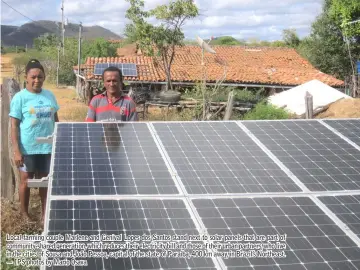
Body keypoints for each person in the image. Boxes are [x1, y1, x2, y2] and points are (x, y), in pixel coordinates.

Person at [9, 59, 59, 224]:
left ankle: (45, 214)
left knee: (46, 181)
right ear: (26, 77)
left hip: (47, 147)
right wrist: (17, 150)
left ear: (44, 78)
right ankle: (25, 215)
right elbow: (14, 126)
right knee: (26, 181)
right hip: (28, 147)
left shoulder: (49, 95)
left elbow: (56, 119)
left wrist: (60, 141)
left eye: (40, 77)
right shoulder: (20, 98)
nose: (37, 80)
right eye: (33, 77)